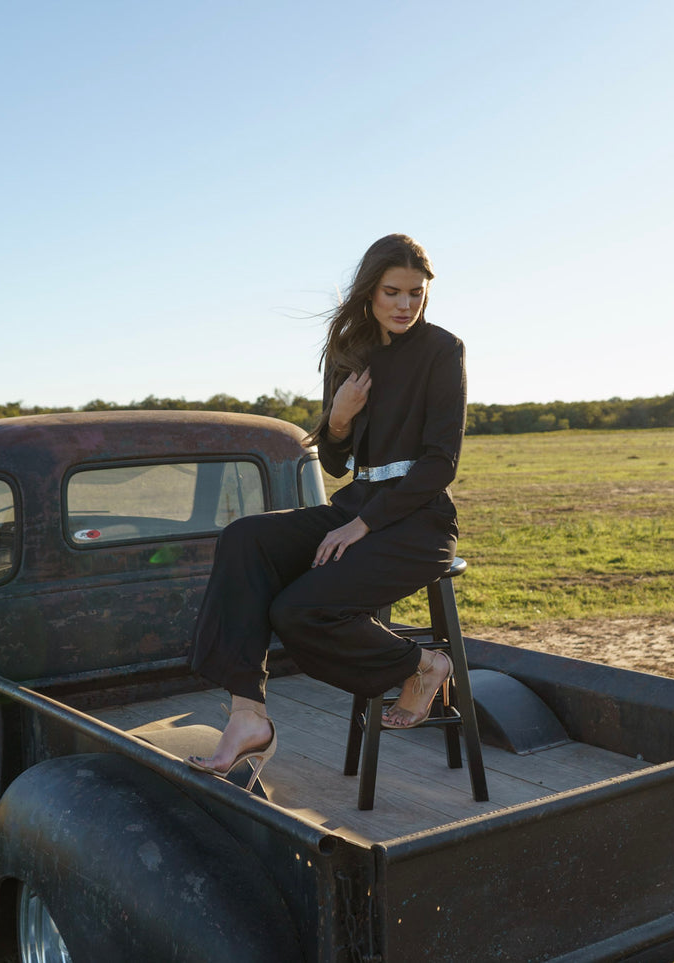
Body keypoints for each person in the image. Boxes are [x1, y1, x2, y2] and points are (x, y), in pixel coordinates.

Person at [186, 233, 466, 789]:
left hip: (419, 522)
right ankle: (248, 713)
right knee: (245, 538)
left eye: (417, 292)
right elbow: (337, 462)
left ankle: (423, 665)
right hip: (356, 502)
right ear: (370, 292)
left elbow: (440, 463)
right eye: (393, 292)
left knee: (297, 612)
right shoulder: (349, 356)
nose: (406, 305)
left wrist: (363, 524)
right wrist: (338, 419)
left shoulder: (442, 350)